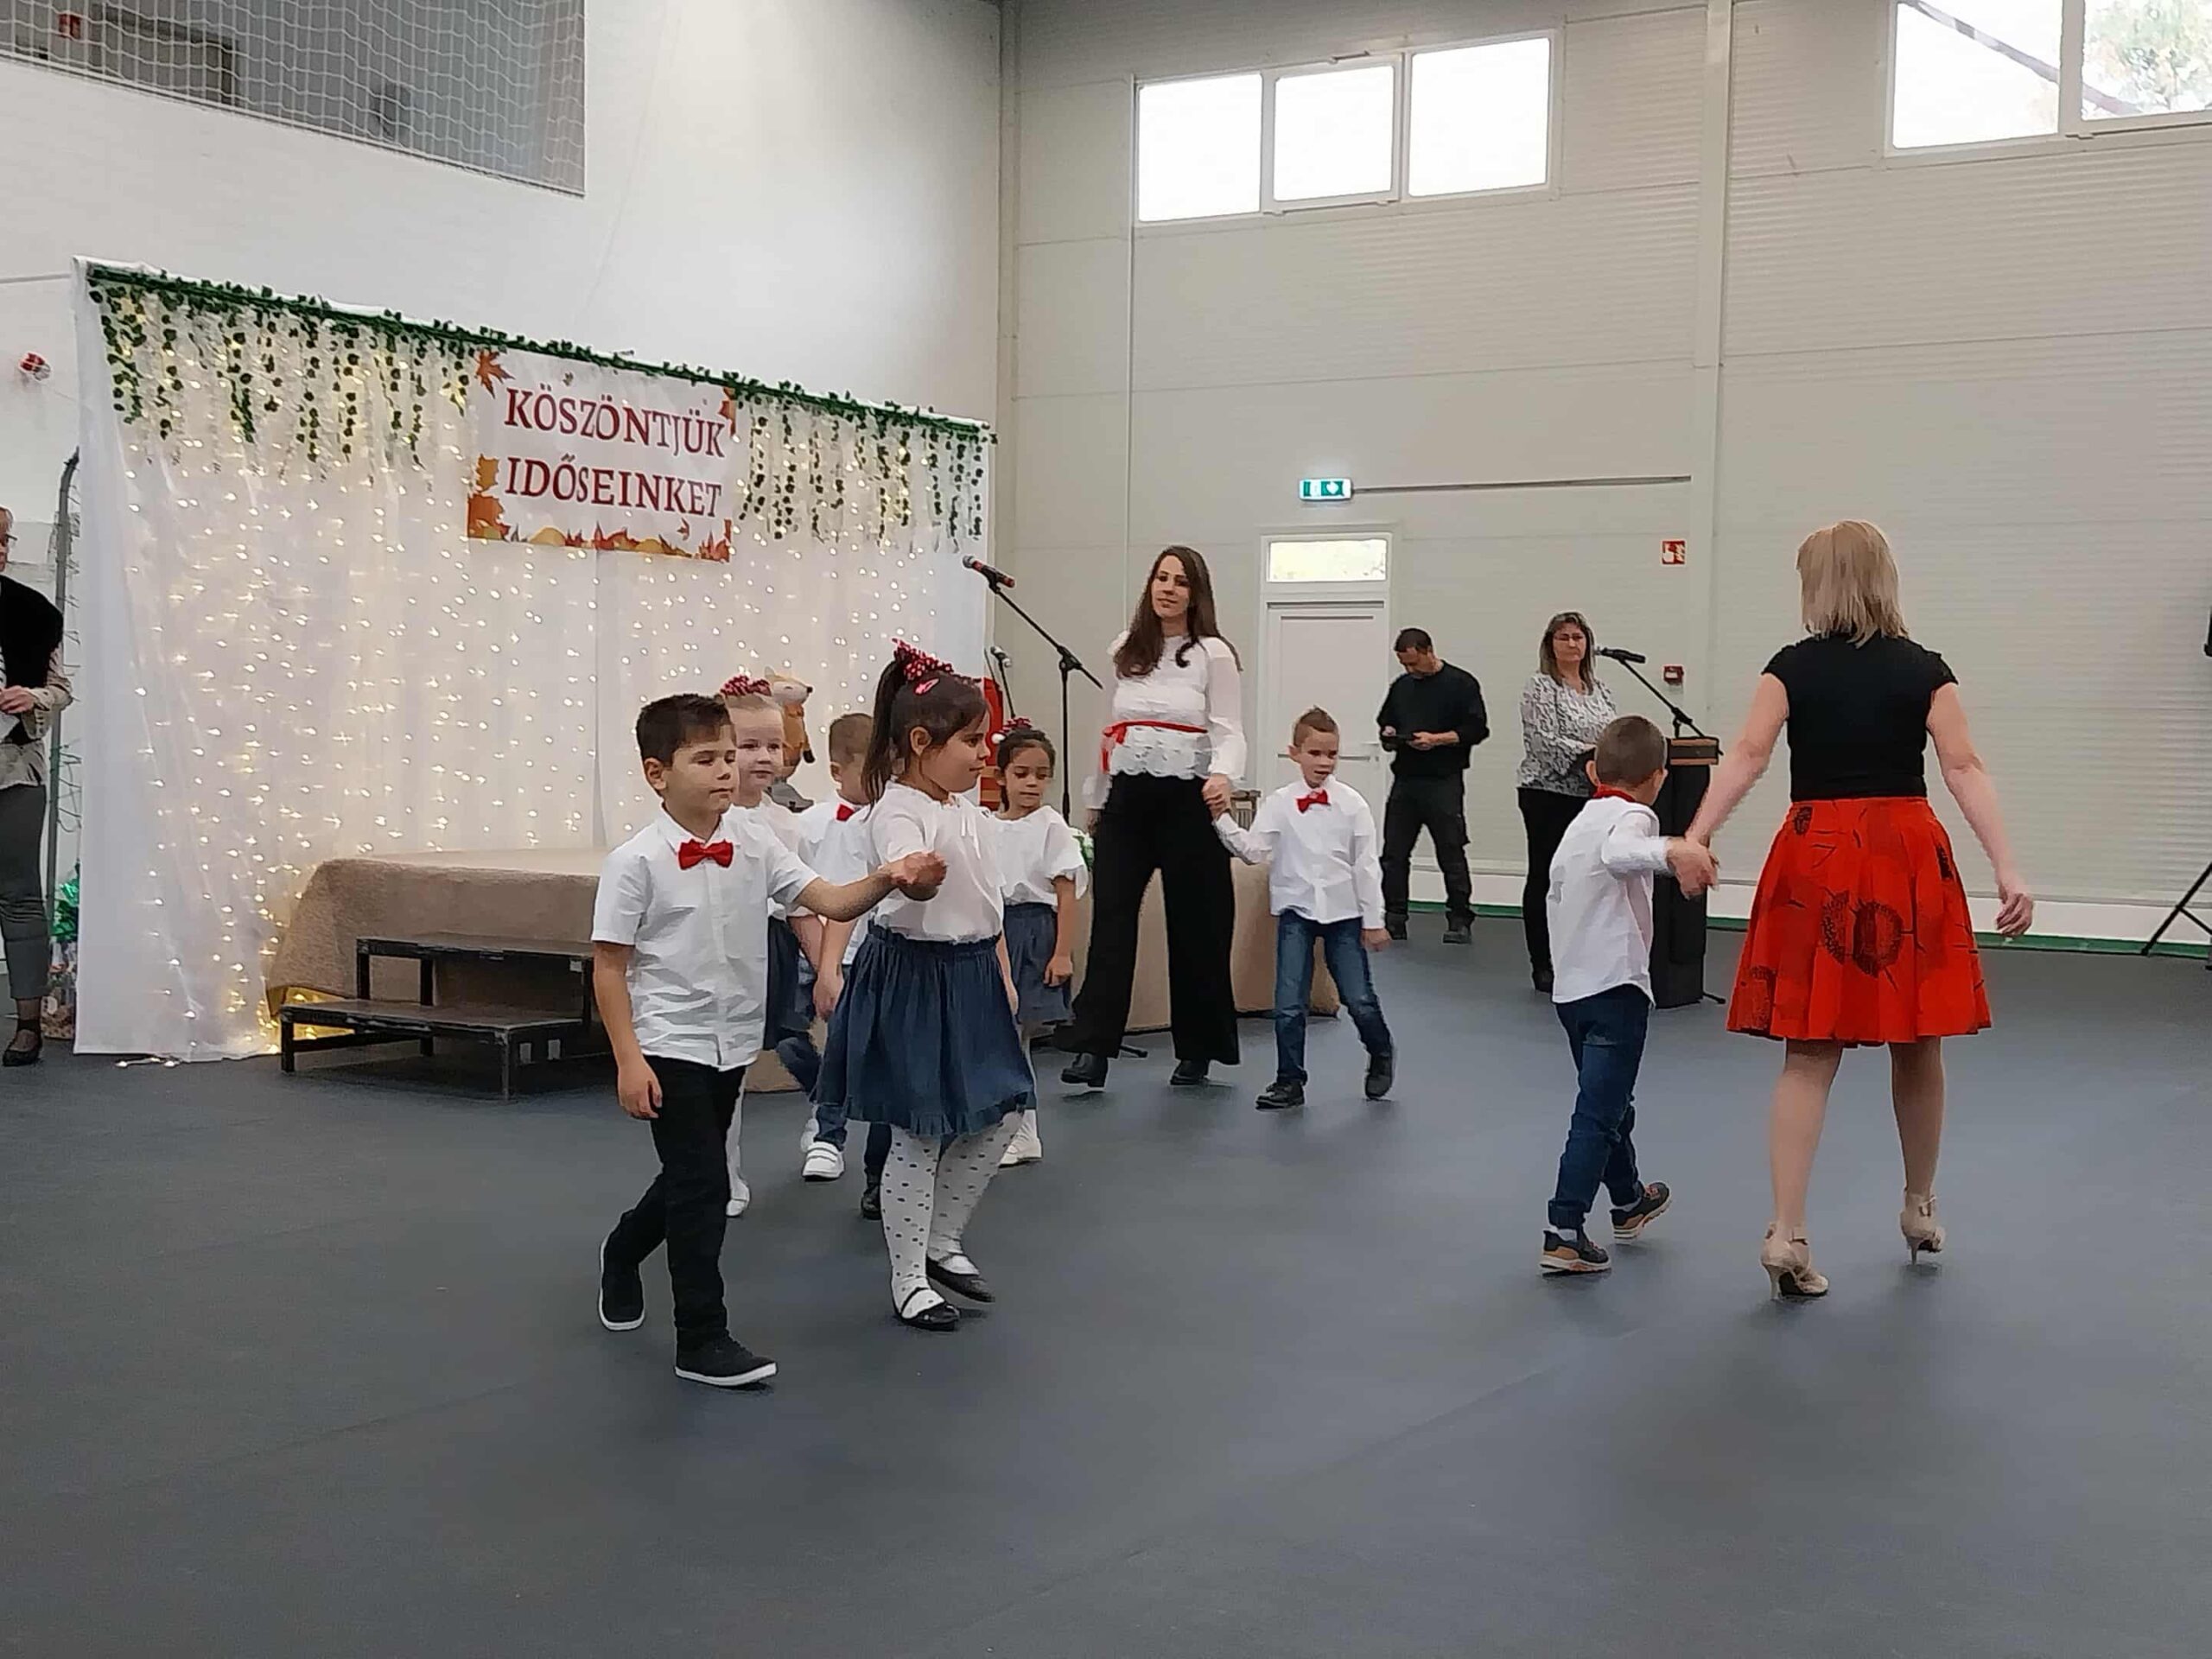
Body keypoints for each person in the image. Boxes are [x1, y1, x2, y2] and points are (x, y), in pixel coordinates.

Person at [1686, 521, 2033, 1300]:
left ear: (1815, 585)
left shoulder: (1788, 668)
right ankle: (1919, 1203)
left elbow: (1747, 754)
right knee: (1919, 1040)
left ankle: (1786, 1228)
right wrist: (2007, 866)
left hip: (1816, 852)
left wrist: (1699, 833)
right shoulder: (1925, 669)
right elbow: (1963, 765)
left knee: (1809, 1052)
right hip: (1902, 850)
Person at [592, 693, 941, 1387]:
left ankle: (624, 1249)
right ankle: (702, 1337)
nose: (726, 771)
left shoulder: (755, 842)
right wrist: (629, 1060)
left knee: (690, 1175)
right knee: (704, 1184)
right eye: (706, 760)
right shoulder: (636, 862)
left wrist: (889, 877)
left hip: (732, 1039)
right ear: (658, 774)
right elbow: (608, 966)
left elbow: (829, 901)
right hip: (668, 1040)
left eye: (729, 757)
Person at [813, 643, 1035, 1332]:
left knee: (1003, 1112)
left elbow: (988, 902)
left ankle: (941, 1240)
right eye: (971, 741)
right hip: (914, 976)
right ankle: (908, 1278)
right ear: (920, 743)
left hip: (971, 974)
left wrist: (1001, 972)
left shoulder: (966, 809)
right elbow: (904, 865)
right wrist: (913, 876)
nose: (983, 754)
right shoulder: (899, 808)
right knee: (920, 1132)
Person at [1059, 546, 1245, 1091]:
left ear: (1195, 593)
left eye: (1180, 581)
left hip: (1189, 797)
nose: (1168, 588)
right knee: (1113, 919)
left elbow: (1229, 728)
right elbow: (1105, 729)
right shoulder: (1125, 649)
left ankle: (1199, 1048)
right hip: (1129, 798)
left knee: (1197, 923)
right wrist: (1096, 799)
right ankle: (1094, 1047)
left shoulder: (1213, 654)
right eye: (1161, 578)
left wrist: (1224, 775)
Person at [1538, 715, 1714, 1275]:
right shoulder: (1632, 816)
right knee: (1598, 1111)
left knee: (1611, 1101)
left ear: (1594, 770)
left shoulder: (1580, 822)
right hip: (1615, 987)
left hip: (1572, 990)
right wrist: (1675, 851)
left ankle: (1629, 1199)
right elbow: (1622, 853)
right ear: (1659, 776)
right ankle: (1565, 1228)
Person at [1212, 707, 1394, 1111]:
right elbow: (1255, 850)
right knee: (1289, 1003)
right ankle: (1289, 1080)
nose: (1324, 762)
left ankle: (1380, 1050)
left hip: (1343, 914)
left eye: (1332, 754)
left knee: (1358, 997)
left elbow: (1365, 865)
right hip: (1296, 911)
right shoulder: (1280, 803)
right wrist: (1222, 820)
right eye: (1315, 753)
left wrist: (1374, 920)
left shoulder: (1352, 805)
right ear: (1295, 753)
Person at [718, 675, 826, 1217]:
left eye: (774, 746)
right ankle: (723, 1172)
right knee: (723, 1068)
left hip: (770, 945)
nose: (764, 757)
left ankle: (825, 1114)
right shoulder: (703, 820)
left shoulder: (785, 825)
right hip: (716, 950)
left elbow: (802, 905)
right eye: (748, 746)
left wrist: (826, 968)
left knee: (784, 1038)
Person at [992, 726, 1084, 1165]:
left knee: (1015, 1037)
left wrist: (1062, 952)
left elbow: (1066, 892)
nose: (1031, 783)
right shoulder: (987, 825)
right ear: (1001, 776)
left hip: (1032, 931)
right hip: (995, 932)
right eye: (1022, 773)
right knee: (999, 1036)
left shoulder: (1051, 826)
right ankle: (1008, 1127)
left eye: (1041, 775)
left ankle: (1023, 1131)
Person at [793, 711, 878, 1190]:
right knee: (791, 1034)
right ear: (836, 771)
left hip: (870, 950)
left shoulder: (888, 822)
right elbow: (795, 898)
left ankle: (833, 1136)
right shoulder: (809, 825)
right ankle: (823, 1101)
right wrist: (820, 961)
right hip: (816, 947)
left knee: (854, 1045)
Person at [1516, 612, 1618, 993]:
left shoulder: (1600, 689)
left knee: (1585, 878)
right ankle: (1543, 962)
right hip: (1547, 792)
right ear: (1551, 645)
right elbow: (1543, 741)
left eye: (1578, 637)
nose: (1573, 644)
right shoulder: (1540, 687)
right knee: (1547, 875)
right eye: (1564, 638)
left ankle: (1579, 957)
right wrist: (1591, 756)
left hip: (1591, 796)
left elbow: (1612, 734)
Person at [0, 506, 67, 1067]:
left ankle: (28, 1023)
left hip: (15, 766)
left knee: (20, 893)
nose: (1, 550)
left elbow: (60, 687)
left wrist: (34, 696)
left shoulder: (32, 610)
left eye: (5, 540)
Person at [1376, 627, 1488, 944]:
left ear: (1428, 651)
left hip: (1444, 781)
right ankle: (1395, 917)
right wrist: (1390, 733)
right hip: (1406, 779)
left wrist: (1437, 740)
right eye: (1404, 664)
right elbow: (1386, 721)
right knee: (1394, 853)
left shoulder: (1461, 684)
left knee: (1451, 851)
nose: (1410, 670)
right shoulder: (1401, 687)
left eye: (1413, 663)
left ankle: (1459, 918)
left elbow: (1476, 730)